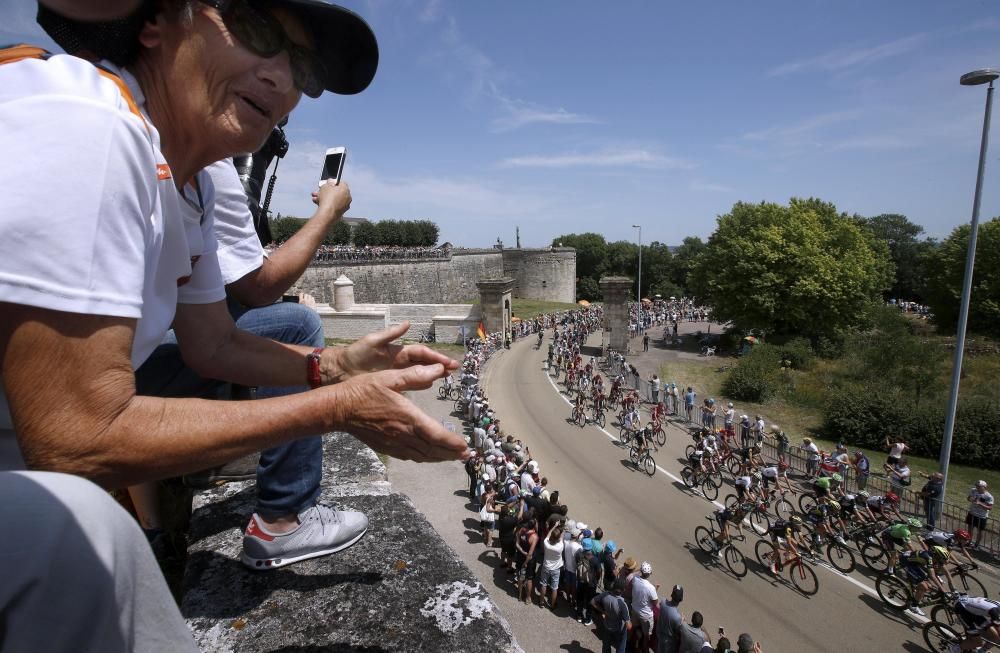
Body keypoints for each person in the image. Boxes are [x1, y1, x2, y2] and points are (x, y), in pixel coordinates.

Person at [1, 0, 469, 642]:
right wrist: (336, 407)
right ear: (155, 22)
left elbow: (213, 343)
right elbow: (77, 438)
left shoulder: (187, 182)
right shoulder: (93, 124)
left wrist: (334, 365)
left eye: (302, 67)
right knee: (80, 539)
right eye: (258, 33)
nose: (283, 80)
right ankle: (279, 522)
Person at [590, 577, 631, 653]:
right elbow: (628, 626)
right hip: (618, 629)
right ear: (623, 590)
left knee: (606, 645)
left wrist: (603, 611)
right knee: (620, 647)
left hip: (607, 625)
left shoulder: (605, 594)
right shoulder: (622, 604)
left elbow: (592, 602)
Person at [629, 561, 659, 653]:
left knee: (634, 627)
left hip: (634, 610)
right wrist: (656, 589)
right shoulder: (651, 588)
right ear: (649, 574)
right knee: (647, 636)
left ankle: (630, 643)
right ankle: (644, 649)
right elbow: (655, 602)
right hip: (646, 615)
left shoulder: (634, 579)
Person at [656, 585, 684, 653]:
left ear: (671, 594)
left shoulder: (663, 602)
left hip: (659, 634)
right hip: (668, 642)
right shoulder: (677, 617)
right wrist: (682, 621)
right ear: (680, 599)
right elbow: (677, 631)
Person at [966, 480, 994, 549]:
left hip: (981, 516)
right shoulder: (973, 490)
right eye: (976, 486)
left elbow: (990, 507)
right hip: (972, 513)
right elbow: (968, 498)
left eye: (979, 486)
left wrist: (980, 503)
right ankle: (969, 542)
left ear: (984, 487)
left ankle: (976, 545)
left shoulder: (989, 496)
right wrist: (972, 499)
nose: (977, 487)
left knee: (980, 531)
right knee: (970, 529)